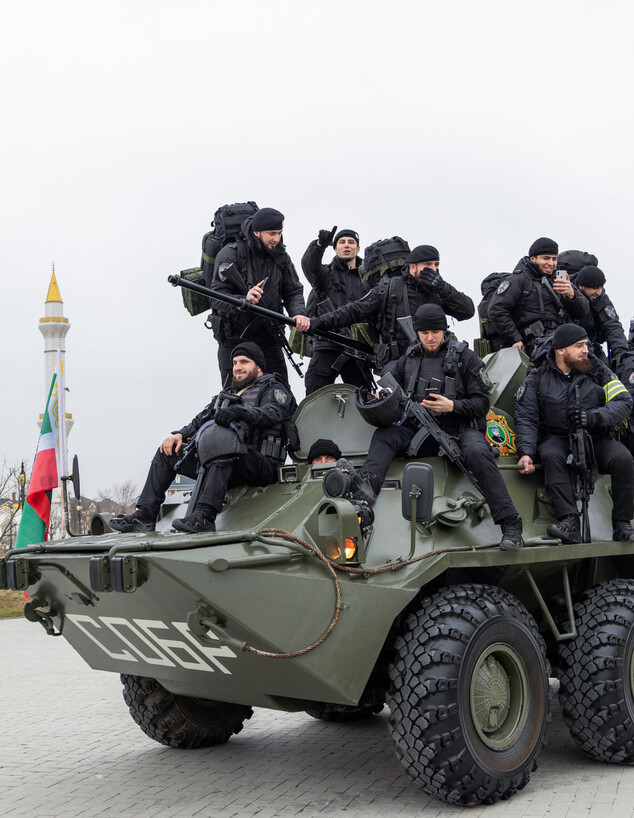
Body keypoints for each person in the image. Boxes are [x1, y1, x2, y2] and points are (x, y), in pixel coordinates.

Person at [323, 304, 525, 551]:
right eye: (424, 332)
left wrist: (453, 406)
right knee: (385, 437)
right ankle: (366, 489)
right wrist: (384, 394)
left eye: (436, 331)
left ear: (445, 330)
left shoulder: (466, 359)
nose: (430, 337)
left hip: (460, 429)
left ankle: (510, 525)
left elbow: (483, 404)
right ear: (417, 332)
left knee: (478, 453)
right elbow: (390, 384)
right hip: (420, 429)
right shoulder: (409, 359)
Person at [109, 342, 296, 535]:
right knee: (168, 451)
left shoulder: (273, 388)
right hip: (226, 461)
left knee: (223, 447)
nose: (238, 367)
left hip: (261, 464)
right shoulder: (228, 393)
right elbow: (200, 420)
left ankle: (204, 516)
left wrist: (239, 413)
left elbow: (272, 413)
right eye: (234, 362)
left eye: (244, 362)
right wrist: (180, 435)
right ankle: (144, 516)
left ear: (258, 366)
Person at [515, 324, 634, 544]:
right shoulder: (537, 378)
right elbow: (526, 418)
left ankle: (622, 524)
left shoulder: (599, 372)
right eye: (578, 346)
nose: (585, 350)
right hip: (557, 438)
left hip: (594, 437)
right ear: (560, 350)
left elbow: (624, 402)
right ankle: (568, 521)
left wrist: (594, 417)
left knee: (622, 457)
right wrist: (526, 452)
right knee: (551, 454)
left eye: (586, 345)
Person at [305, 244, 474, 371]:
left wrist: (442, 287)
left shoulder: (439, 290)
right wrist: (316, 322)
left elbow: (467, 311)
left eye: (436, 265)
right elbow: (353, 311)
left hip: (437, 360)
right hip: (399, 363)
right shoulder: (389, 289)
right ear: (412, 266)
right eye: (428, 265)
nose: (434, 269)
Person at [209, 207, 309, 386]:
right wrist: (243, 300)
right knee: (234, 398)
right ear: (256, 232)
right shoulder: (230, 254)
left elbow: (293, 290)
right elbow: (216, 296)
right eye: (271, 234)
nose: (276, 239)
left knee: (280, 395)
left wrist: (298, 313)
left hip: (268, 337)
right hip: (234, 340)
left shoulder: (281, 257)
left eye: (279, 233)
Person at [487, 237, 588, 356]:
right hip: (533, 343)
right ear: (533, 259)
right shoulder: (519, 280)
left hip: (563, 338)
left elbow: (583, 312)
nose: (551, 263)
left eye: (554, 259)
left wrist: (572, 295)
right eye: (546, 258)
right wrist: (515, 339)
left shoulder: (560, 281)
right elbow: (496, 309)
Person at [301, 226, 372, 394]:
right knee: (314, 394)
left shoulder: (367, 278)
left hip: (357, 348)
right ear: (335, 248)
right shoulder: (323, 274)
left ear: (358, 248)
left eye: (351, 242)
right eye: (342, 242)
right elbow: (309, 265)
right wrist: (319, 246)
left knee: (364, 399)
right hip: (327, 343)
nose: (346, 245)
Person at [570, 265, 629, 363]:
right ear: (581, 286)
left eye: (601, 287)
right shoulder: (565, 294)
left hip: (592, 345)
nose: (599, 292)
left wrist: (623, 354)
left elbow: (613, 326)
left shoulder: (601, 298)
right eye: (595, 288)